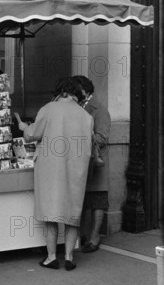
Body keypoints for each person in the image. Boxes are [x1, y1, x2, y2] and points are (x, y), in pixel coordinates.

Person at [15, 77, 93, 271]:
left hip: (50, 169)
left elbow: (33, 134)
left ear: (60, 92)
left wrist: (24, 127)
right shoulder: (85, 116)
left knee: (51, 213)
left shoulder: (48, 109)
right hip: (76, 168)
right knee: (72, 213)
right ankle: (68, 256)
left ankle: (51, 257)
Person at [73, 75, 112, 253]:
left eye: (76, 89)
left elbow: (102, 137)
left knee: (97, 201)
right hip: (80, 162)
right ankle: (82, 235)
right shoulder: (76, 106)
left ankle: (94, 237)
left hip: (95, 163)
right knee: (84, 202)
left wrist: (80, 140)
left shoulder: (100, 110)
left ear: (84, 90)